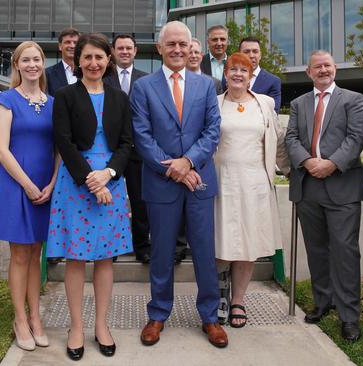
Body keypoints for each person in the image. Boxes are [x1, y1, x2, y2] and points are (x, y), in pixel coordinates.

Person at [131, 21, 228, 348]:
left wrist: (187, 162)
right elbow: (141, 137)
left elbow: (213, 130)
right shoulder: (143, 88)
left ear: (190, 49)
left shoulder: (207, 85)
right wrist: (174, 169)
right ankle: (158, 313)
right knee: (160, 252)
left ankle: (210, 316)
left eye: (182, 45)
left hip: (199, 180)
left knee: (203, 250)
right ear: (159, 48)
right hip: (161, 184)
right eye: (170, 44)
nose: (176, 50)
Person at [46, 33, 133, 361]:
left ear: (108, 60)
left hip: (111, 181)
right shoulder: (65, 96)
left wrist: (108, 175)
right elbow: (64, 142)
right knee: (76, 257)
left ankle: (101, 325)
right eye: (88, 58)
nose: (94, 63)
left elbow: (127, 144)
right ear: (77, 61)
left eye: (100, 57)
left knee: (105, 258)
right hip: (76, 186)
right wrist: (91, 181)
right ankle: (76, 327)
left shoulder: (119, 98)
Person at [284, 50, 363, 341]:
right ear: (308, 72)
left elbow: (356, 138)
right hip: (308, 186)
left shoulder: (353, 99)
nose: (323, 70)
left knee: (345, 252)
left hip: (341, 184)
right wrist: (308, 162)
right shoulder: (298, 103)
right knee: (317, 249)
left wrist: (331, 164)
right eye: (317, 66)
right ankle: (324, 302)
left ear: (335, 69)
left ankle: (349, 316)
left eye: (328, 65)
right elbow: (291, 137)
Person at [0, 41, 58, 352]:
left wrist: (53, 183)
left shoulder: (54, 103)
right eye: (26, 60)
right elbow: (1, 149)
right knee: (19, 254)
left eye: (37, 59)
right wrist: (28, 185)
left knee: (36, 254)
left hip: (47, 185)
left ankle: (36, 317)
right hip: (18, 184)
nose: (32, 64)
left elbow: (60, 148)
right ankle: (20, 319)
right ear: (16, 65)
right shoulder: (6, 100)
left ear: (43, 63)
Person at [214, 53, 290, 327]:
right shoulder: (215, 103)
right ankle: (220, 295)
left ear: (250, 75)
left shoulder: (265, 104)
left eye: (243, 70)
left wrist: (290, 171)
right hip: (222, 182)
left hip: (255, 183)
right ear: (225, 74)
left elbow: (278, 142)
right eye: (232, 69)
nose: (237, 74)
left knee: (247, 246)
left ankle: (238, 301)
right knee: (222, 243)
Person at [102, 34, 150, 263]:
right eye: (120, 48)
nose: (124, 52)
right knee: (109, 201)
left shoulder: (146, 79)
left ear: (135, 51)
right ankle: (109, 248)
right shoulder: (102, 77)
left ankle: (142, 248)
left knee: (140, 201)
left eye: (128, 48)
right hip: (110, 150)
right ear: (113, 51)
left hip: (138, 151)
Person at [238, 36, 282, 113]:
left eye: (255, 51)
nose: (251, 55)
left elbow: (273, 113)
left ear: (260, 55)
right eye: (246, 52)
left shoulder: (273, 81)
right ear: (239, 55)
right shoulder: (229, 79)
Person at [45, 27, 79, 96]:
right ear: (60, 46)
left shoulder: (88, 71)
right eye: (68, 42)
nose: (72, 46)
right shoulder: (47, 74)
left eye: (75, 43)